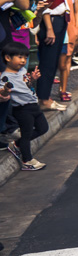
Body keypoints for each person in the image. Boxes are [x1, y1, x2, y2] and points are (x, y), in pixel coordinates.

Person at [2, 43, 48, 171]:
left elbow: (26, 86)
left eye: (25, 58)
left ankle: (17, 144)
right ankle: (27, 161)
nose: (23, 61)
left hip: (34, 105)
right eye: (20, 57)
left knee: (43, 128)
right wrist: (5, 90)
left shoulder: (21, 71)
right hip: (23, 110)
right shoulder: (5, 77)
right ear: (7, 58)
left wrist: (32, 79)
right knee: (26, 134)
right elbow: (3, 92)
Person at [36, 0, 70, 113]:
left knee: (54, 61)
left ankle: (45, 97)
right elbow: (46, 5)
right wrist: (49, 29)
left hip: (61, 20)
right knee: (48, 63)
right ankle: (43, 99)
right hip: (52, 22)